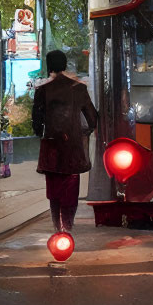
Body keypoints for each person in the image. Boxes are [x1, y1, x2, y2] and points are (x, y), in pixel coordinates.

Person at [32, 50, 98, 232]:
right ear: (65, 64)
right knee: (71, 188)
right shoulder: (79, 88)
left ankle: (57, 227)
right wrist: (83, 131)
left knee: (54, 191)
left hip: (51, 148)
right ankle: (68, 226)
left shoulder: (42, 90)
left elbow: (36, 123)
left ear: (48, 65)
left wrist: (41, 132)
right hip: (73, 148)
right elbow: (92, 118)